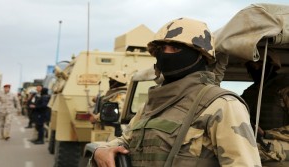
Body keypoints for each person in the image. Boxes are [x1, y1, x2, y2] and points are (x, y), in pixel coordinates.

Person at [90, 17, 261, 167]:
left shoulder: (222, 105)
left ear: (200, 55)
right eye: (161, 49)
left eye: (176, 48)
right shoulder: (151, 105)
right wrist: (102, 150)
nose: (166, 54)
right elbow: (126, 140)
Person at [241, 49, 289, 163]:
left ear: (271, 65)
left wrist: (267, 134)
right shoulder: (249, 93)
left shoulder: (285, 86)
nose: (254, 67)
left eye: (259, 63)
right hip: (252, 147)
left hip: (280, 149)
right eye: (250, 64)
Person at [90, 71, 128, 135]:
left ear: (116, 82)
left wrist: (96, 118)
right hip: (113, 127)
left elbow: (111, 110)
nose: (109, 82)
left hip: (116, 129)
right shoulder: (117, 93)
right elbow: (108, 99)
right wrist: (98, 99)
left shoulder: (121, 95)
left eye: (111, 80)